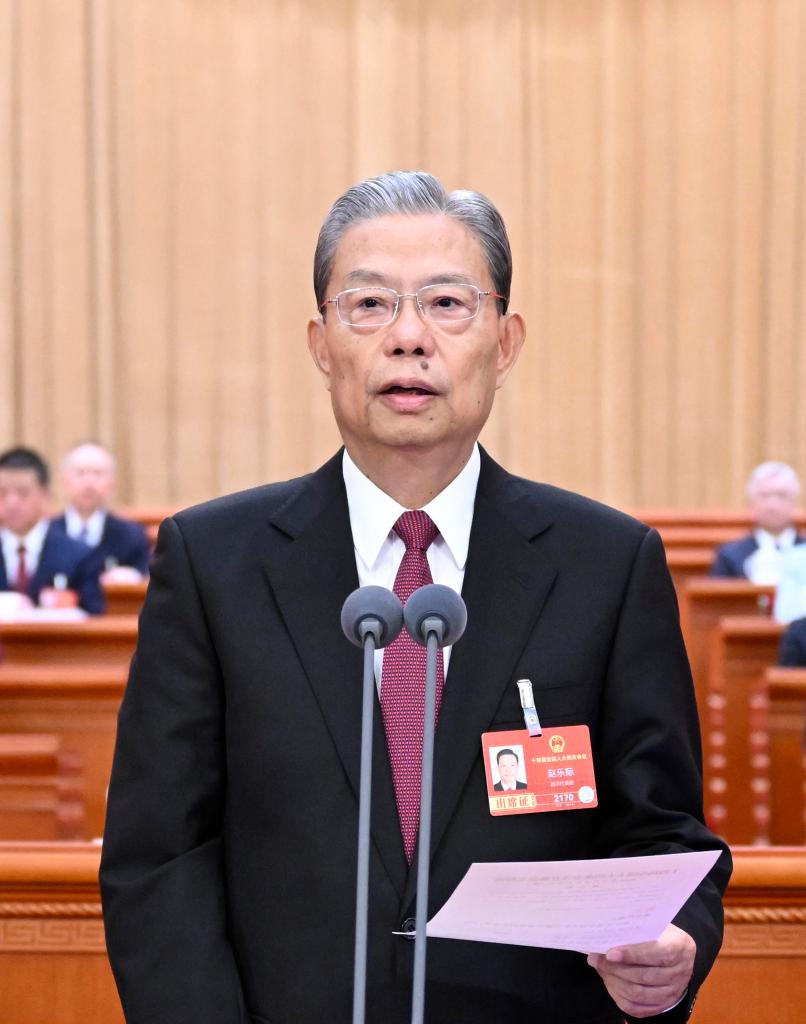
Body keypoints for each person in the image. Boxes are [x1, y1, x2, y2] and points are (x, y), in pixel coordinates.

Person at [100, 171, 730, 1024]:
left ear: (504, 342)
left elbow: (663, 837)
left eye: (445, 303)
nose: (407, 339)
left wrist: (674, 945)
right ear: (322, 344)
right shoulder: (212, 563)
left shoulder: (607, 565)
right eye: (369, 305)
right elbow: (160, 855)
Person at [0, 446, 104, 614]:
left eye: (23, 493)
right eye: (3, 493)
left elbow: (94, 619)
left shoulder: (79, 555)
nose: (12, 503)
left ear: (45, 495)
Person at [50, 441, 151, 578]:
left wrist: (133, 576)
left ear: (112, 483)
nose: (89, 482)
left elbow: (146, 576)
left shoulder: (131, 535)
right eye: (81, 473)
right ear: (65, 481)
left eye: (98, 474)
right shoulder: (47, 532)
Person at [710, 462, 804, 582]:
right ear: (751, 504)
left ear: (796, 503)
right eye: (764, 496)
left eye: (781, 495)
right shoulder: (730, 556)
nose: (772, 505)